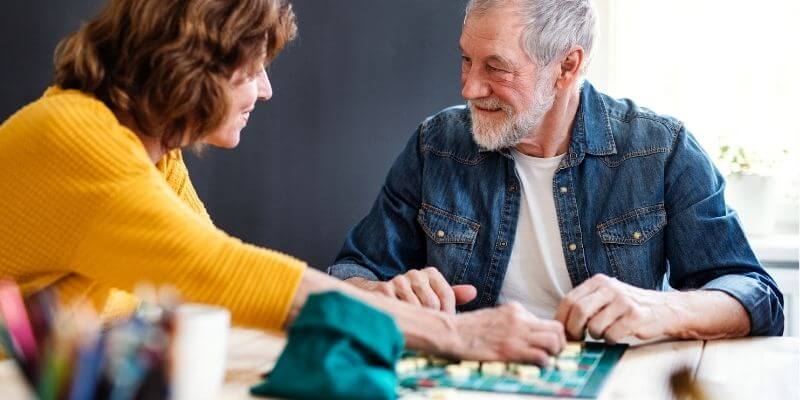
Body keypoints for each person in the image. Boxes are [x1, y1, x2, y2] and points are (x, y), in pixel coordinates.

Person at [0, 0, 566, 364]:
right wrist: (457, 335)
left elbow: (215, 284)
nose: (266, 90)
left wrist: (371, 303)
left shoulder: (148, 151)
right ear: (190, 66)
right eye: (253, 68)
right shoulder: (72, 135)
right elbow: (226, 275)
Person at [329, 0, 784, 341]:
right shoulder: (436, 144)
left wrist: (661, 309)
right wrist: (385, 293)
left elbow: (756, 295)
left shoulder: (660, 148)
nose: (468, 87)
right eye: (466, 59)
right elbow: (351, 271)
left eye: (496, 68)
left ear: (568, 65)